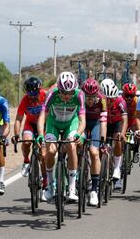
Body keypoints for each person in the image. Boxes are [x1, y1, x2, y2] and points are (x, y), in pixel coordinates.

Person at [37, 71, 86, 202]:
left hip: (71, 123)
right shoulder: (51, 94)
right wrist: (41, 135)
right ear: (58, 88)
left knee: (71, 145)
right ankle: (50, 186)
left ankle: (71, 187)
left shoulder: (80, 95)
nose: (66, 96)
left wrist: (78, 134)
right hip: (53, 123)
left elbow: (82, 120)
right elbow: (42, 117)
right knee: (51, 150)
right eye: (63, 92)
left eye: (70, 93)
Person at [12, 76, 47, 200]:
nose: (32, 97)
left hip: (44, 125)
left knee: (43, 155)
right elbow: (18, 119)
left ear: (40, 90)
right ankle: (26, 161)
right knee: (26, 142)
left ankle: (45, 183)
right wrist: (16, 135)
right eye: (30, 95)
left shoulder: (45, 96)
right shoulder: (24, 100)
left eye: (35, 94)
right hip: (30, 124)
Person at [81, 78, 107, 206]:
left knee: (94, 152)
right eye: (87, 97)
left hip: (96, 123)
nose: (90, 100)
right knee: (76, 146)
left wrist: (102, 139)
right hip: (83, 123)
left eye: (92, 97)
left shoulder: (102, 100)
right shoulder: (79, 97)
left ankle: (94, 191)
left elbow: (103, 121)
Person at [100, 79, 128, 190]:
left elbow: (125, 119)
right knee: (100, 145)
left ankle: (117, 168)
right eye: (107, 100)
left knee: (118, 139)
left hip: (116, 123)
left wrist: (123, 133)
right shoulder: (100, 101)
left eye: (112, 100)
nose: (109, 102)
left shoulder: (121, 101)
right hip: (104, 122)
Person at [122, 83, 140, 162]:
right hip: (123, 120)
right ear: (123, 94)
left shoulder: (137, 101)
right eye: (127, 95)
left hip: (133, 120)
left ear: (135, 95)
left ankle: (136, 151)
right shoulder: (120, 99)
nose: (129, 98)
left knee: (138, 131)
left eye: (131, 96)